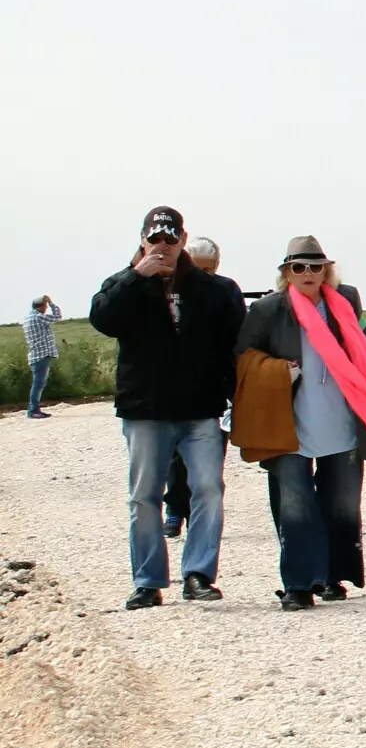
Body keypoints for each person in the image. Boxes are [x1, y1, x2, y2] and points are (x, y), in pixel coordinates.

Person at [233, 237, 366, 610]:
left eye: (315, 266)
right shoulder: (267, 310)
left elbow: (365, 333)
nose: (308, 273)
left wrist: (354, 353)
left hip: (341, 417)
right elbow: (244, 355)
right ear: (286, 273)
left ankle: (331, 576)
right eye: (299, 267)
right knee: (294, 504)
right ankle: (298, 584)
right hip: (287, 422)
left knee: (340, 501)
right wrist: (278, 372)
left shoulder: (346, 300)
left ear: (327, 269)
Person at [88, 206, 246, 609]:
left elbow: (234, 345)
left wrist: (238, 399)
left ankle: (198, 575)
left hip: (201, 408)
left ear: (182, 239)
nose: (163, 246)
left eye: (170, 239)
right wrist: (136, 276)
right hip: (146, 410)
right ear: (143, 240)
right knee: (144, 496)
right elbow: (102, 319)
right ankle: (147, 581)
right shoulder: (124, 284)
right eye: (155, 239)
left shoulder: (212, 289)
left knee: (208, 489)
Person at [162, 236, 239, 536]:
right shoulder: (169, 291)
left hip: (213, 393)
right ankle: (175, 510)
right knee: (175, 459)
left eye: (210, 270)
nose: (204, 276)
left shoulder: (225, 291)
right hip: (173, 392)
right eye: (199, 269)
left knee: (209, 463)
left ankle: (198, 516)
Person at [22, 296, 61, 419]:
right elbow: (57, 316)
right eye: (45, 306)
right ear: (40, 307)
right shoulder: (38, 317)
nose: (46, 309)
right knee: (38, 384)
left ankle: (35, 409)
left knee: (38, 383)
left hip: (37, 355)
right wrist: (51, 303)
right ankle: (33, 410)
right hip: (41, 355)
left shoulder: (29, 318)